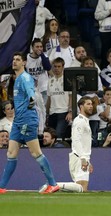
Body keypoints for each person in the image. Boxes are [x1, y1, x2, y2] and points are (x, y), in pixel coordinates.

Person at [0, 52, 59, 194]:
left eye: (18, 60)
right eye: (13, 59)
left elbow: (32, 95)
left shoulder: (25, 78)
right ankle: (1, 187)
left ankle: (52, 184)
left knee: (35, 152)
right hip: (18, 121)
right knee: (11, 152)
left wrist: (30, 107)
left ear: (24, 63)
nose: (14, 62)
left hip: (27, 120)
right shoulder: (18, 78)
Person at [56, 96, 94, 192]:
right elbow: (76, 140)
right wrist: (83, 158)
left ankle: (56, 186)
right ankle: (54, 185)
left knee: (81, 189)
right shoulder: (79, 121)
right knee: (82, 188)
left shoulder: (84, 121)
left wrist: (88, 161)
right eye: (88, 104)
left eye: (91, 104)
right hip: (78, 158)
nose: (91, 106)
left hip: (82, 157)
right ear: (81, 106)